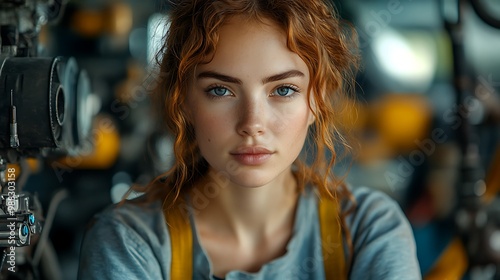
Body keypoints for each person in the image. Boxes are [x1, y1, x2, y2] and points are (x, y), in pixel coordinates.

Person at [78, 0, 421, 279]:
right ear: (183, 100)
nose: (252, 124)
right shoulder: (131, 242)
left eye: (283, 90)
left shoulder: (368, 230)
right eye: (221, 90)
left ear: (318, 99)